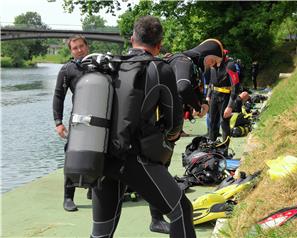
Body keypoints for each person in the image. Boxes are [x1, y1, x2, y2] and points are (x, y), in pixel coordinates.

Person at [90, 16, 196, 238]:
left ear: (131, 39)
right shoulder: (160, 69)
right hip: (134, 158)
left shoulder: (109, 65)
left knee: (102, 231)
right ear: (159, 45)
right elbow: (175, 123)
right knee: (181, 211)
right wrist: (165, 139)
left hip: (100, 156)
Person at [147, 38, 225, 234]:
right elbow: (182, 87)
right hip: (159, 126)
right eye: (213, 62)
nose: (212, 67)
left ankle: (157, 217)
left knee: (158, 169)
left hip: (161, 124)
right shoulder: (184, 62)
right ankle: (156, 219)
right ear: (207, 55)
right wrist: (198, 106)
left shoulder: (183, 62)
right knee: (157, 169)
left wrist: (199, 103)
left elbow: (188, 88)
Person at [52, 35, 92, 212]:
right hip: (77, 119)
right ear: (71, 51)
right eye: (75, 48)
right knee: (72, 156)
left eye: (81, 46)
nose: (79, 50)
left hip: (101, 118)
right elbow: (58, 97)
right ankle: (68, 197)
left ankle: (95, 189)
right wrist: (58, 122)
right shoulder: (67, 70)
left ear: (87, 46)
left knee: (101, 154)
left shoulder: (99, 66)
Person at [207, 54, 241, 151]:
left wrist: (230, 106)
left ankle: (225, 149)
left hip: (225, 97)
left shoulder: (230, 65)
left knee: (224, 122)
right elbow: (210, 82)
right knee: (212, 122)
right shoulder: (212, 65)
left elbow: (236, 86)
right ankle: (211, 149)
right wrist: (208, 95)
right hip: (214, 96)